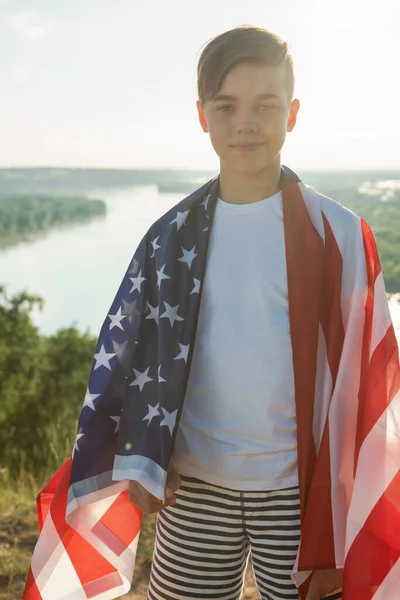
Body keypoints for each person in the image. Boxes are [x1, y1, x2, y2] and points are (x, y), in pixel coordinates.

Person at [24, 25, 400, 600]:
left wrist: (349, 498)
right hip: (195, 484)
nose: (244, 122)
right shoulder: (170, 237)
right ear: (202, 115)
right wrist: (143, 457)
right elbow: (136, 356)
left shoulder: (340, 235)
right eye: (226, 105)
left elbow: (367, 378)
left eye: (265, 105)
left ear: (293, 114)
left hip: (299, 492)